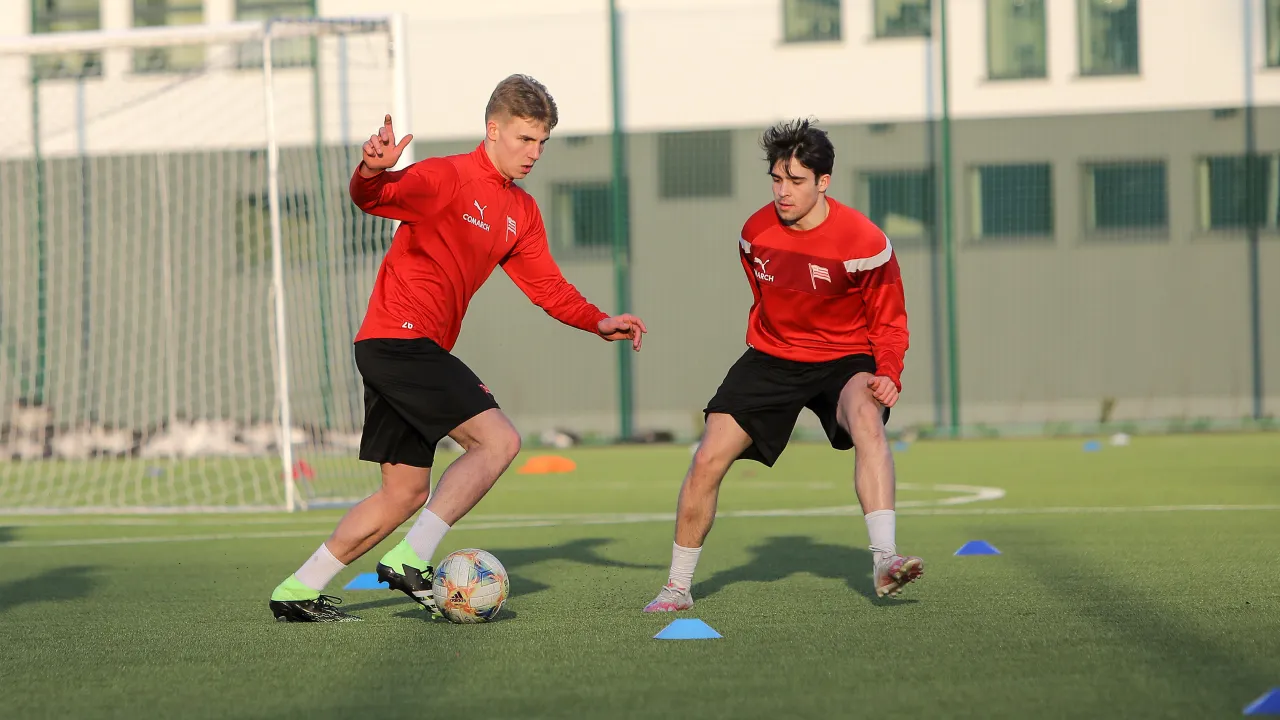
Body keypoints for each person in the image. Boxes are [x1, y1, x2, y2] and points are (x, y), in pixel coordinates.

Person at [269, 74, 648, 622]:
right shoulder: (445, 177)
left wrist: (598, 321)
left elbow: (547, 287)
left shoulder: (522, 212)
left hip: (398, 349)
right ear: (492, 130)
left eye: (542, 142)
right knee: (498, 442)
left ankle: (297, 591)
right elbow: (372, 197)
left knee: (402, 494)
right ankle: (412, 557)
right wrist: (372, 169)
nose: (534, 153)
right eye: (524, 139)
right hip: (399, 341)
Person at [643, 118, 920, 612]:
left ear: (823, 181)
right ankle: (677, 588)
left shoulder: (865, 241)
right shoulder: (754, 233)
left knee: (867, 421)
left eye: (796, 181)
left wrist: (889, 371)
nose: (783, 192)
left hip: (844, 359)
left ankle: (884, 559)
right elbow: (763, 297)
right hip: (772, 356)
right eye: (776, 179)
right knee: (707, 457)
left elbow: (890, 321)